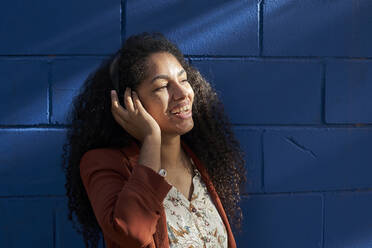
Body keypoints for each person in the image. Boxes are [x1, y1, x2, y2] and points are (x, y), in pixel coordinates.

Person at [62, 32, 247, 248]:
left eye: (184, 80)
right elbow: (132, 233)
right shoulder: (103, 162)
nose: (182, 94)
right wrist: (151, 139)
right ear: (129, 103)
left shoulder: (198, 160)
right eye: (162, 87)